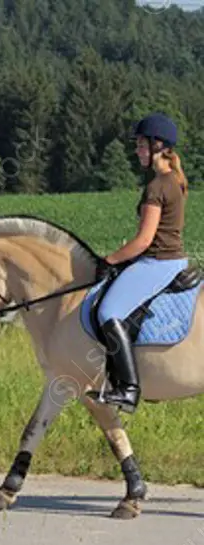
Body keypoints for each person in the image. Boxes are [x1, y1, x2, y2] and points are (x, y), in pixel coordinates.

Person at [89, 112, 189, 413]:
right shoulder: (174, 180)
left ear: (158, 145)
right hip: (171, 259)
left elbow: (144, 240)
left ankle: (129, 389)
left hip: (158, 261)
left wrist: (107, 260)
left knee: (108, 310)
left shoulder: (157, 186)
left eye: (141, 145)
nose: (137, 150)